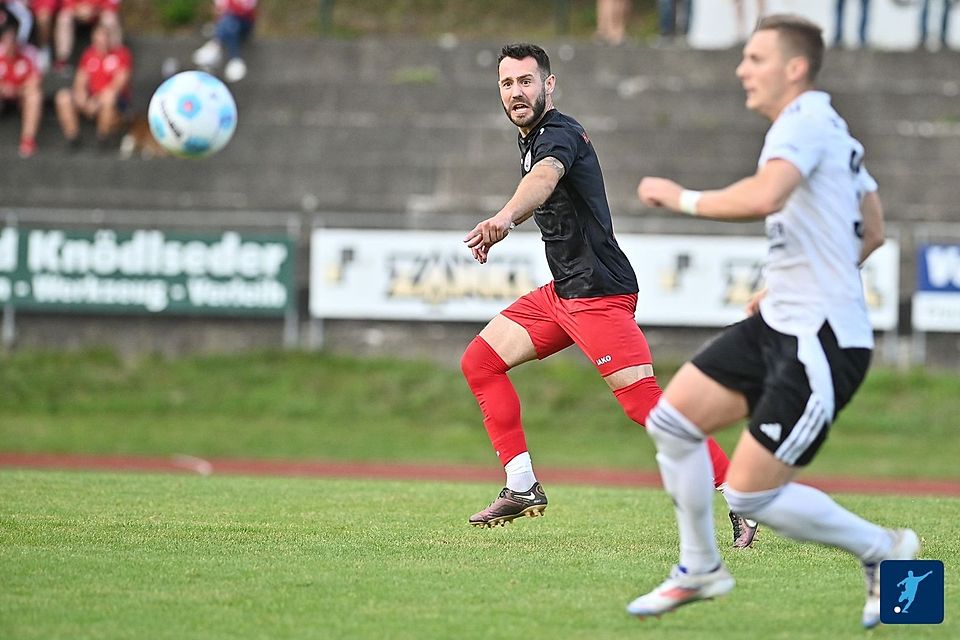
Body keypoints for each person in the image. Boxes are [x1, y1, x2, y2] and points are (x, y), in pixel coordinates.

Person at [626, 15, 919, 629]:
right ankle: (700, 568)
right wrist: (790, 279)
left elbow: (766, 196)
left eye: (755, 58)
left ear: (794, 68)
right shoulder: (828, 125)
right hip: (782, 321)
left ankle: (887, 552)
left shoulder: (806, 122)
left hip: (821, 338)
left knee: (750, 495)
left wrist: (680, 197)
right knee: (673, 422)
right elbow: (873, 228)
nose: (742, 70)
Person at [461, 43, 757, 549]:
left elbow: (544, 179)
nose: (517, 93)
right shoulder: (531, 136)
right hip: (564, 294)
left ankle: (740, 495)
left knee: (647, 406)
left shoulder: (558, 133)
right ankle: (521, 485)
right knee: (480, 363)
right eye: (507, 84)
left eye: (526, 82)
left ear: (548, 85)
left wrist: (504, 218)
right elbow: (545, 187)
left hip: (598, 295)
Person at [54, 19, 130, 148]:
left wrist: (97, 100)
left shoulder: (121, 54)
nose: (102, 40)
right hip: (91, 98)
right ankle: (73, 136)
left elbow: (119, 83)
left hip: (114, 100)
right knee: (63, 97)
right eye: (99, 36)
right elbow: (80, 80)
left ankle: (103, 137)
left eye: (105, 36)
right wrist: (82, 96)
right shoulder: (88, 55)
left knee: (109, 97)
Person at [0, 13, 42, 157]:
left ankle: (28, 140)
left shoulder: (29, 52)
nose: (11, 44)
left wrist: (17, 89)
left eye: (14, 40)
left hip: (21, 96)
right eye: (7, 40)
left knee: (34, 96)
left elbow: (35, 81)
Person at [192, 0, 257, 83]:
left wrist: (229, 9)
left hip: (244, 25)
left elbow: (246, 11)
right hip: (228, 26)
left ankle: (215, 46)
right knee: (228, 24)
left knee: (229, 21)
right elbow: (217, 12)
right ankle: (234, 59)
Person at [53, 0, 121, 74]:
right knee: (64, 18)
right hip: (76, 10)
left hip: (100, 11)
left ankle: (116, 57)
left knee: (110, 19)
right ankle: (63, 60)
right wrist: (76, 8)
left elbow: (113, 3)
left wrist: (96, 10)